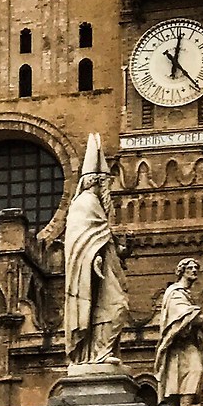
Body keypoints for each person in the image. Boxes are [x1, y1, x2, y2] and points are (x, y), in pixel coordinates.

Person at [61, 134, 130, 365]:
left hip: (101, 265)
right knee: (116, 306)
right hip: (94, 266)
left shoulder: (93, 203)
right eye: (105, 183)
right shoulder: (86, 203)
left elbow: (98, 235)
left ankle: (99, 353)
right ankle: (98, 354)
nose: (107, 188)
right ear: (95, 182)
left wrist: (119, 251)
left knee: (112, 307)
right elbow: (83, 240)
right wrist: (95, 257)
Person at [153, 257, 203, 406]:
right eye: (190, 268)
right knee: (191, 371)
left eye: (195, 268)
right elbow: (180, 318)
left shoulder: (186, 294)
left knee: (189, 373)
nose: (194, 270)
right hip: (178, 345)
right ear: (182, 271)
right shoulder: (175, 293)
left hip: (188, 343)